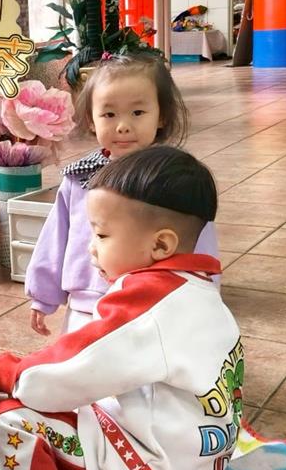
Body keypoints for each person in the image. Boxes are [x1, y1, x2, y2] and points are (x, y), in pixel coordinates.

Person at [0, 146, 242, 470]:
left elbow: (66, 373)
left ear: (161, 245)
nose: (90, 247)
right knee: (72, 401)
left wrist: (8, 370)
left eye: (102, 234)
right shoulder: (198, 291)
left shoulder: (148, 301)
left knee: (12, 418)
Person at [26, 54, 219, 336]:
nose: (123, 126)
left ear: (161, 115)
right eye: (109, 114)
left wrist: (203, 297)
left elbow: (199, 238)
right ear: (91, 120)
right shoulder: (78, 178)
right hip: (86, 303)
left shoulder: (174, 180)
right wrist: (43, 295)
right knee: (80, 358)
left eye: (138, 112)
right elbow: (55, 237)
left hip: (152, 305)